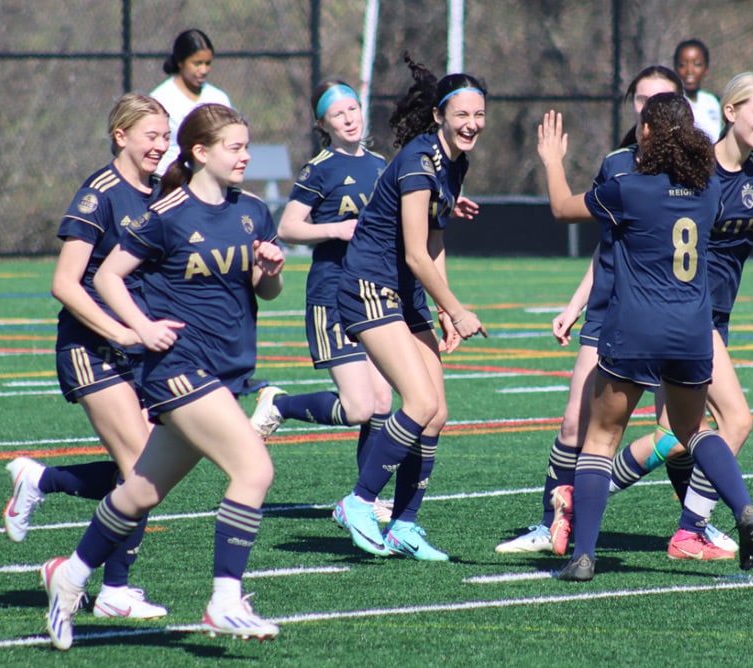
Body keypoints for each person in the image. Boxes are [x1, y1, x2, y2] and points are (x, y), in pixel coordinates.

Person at [39, 103, 285, 650]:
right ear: (200, 153)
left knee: (140, 492)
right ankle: (225, 599)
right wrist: (140, 329)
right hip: (177, 370)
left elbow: (264, 292)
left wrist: (270, 272)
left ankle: (71, 575)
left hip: (226, 371)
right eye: (235, 148)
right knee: (253, 469)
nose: (246, 156)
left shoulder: (254, 213)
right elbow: (104, 277)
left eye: (247, 146)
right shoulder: (167, 211)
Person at [537, 93, 753, 582]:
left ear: (644, 132)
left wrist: (552, 161)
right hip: (691, 330)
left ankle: (582, 557)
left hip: (633, 327)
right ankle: (744, 508)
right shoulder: (709, 192)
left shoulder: (628, 188)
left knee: (600, 442)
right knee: (694, 431)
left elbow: (561, 209)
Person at [496, 66, 710, 555]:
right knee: (578, 421)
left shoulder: (689, 171)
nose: (645, 108)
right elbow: (608, 242)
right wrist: (575, 304)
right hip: (615, 312)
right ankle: (553, 520)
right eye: (640, 98)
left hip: (658, 317)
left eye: (658, 99)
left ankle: (691, 525)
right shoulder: (618, 164)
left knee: (677, 431)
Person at [599, 72, 753, 561]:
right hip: (686, 315)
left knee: (675, 436)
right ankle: (691, 530)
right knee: (734, 421)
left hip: (714, 314)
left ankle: (581, 495)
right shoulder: (696, 169)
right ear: (729, 113)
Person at [3, 93, 170, 620]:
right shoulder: (99, 195)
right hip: (90, 346)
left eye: (166, 136)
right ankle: (115, 591)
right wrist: (119, 332)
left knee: (146, 473)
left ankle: (41, 480)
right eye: (151, 136)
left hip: (138, 347)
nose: (160, 146)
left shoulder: (161, 193)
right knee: (142, 467)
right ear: (120, 136)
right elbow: (64, 283)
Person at [331, 53, 487, 562]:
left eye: (479, 115)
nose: (472, 124)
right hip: (370, 286)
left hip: (405, 293)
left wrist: (441, 308)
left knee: (437, 413)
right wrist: (458, 310)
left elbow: (435, 236)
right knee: (418, 404)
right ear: (440, 116)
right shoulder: (420, 160)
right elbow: (416, 253)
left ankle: (403, 526)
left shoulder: (455, 163)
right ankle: (357, 503)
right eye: (462, 115)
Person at [249, 79, 394, 521]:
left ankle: (362, 501)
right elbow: (289, 227)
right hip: (332, 296)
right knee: (358, 408)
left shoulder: (380, 163)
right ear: (323, 124)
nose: (349, 118)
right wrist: (336, 229)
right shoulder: (320, 168)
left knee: (383, 405)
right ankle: (280, 403)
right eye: (338, 114)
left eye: (353, 109)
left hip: (374, 294)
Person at [150, 28, 232, 174]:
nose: (204, 70)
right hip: (168, 180)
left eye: (207, 63)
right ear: (181, 62)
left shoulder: (219, 98)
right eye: (197, 63)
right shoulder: (160, 99)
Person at [674, 39, 722, 141]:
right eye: (682, 65)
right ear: (675, 68)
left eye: (697, 64)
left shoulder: (715, 102)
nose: (690, 71)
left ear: (706, 69)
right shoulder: (672, 104)